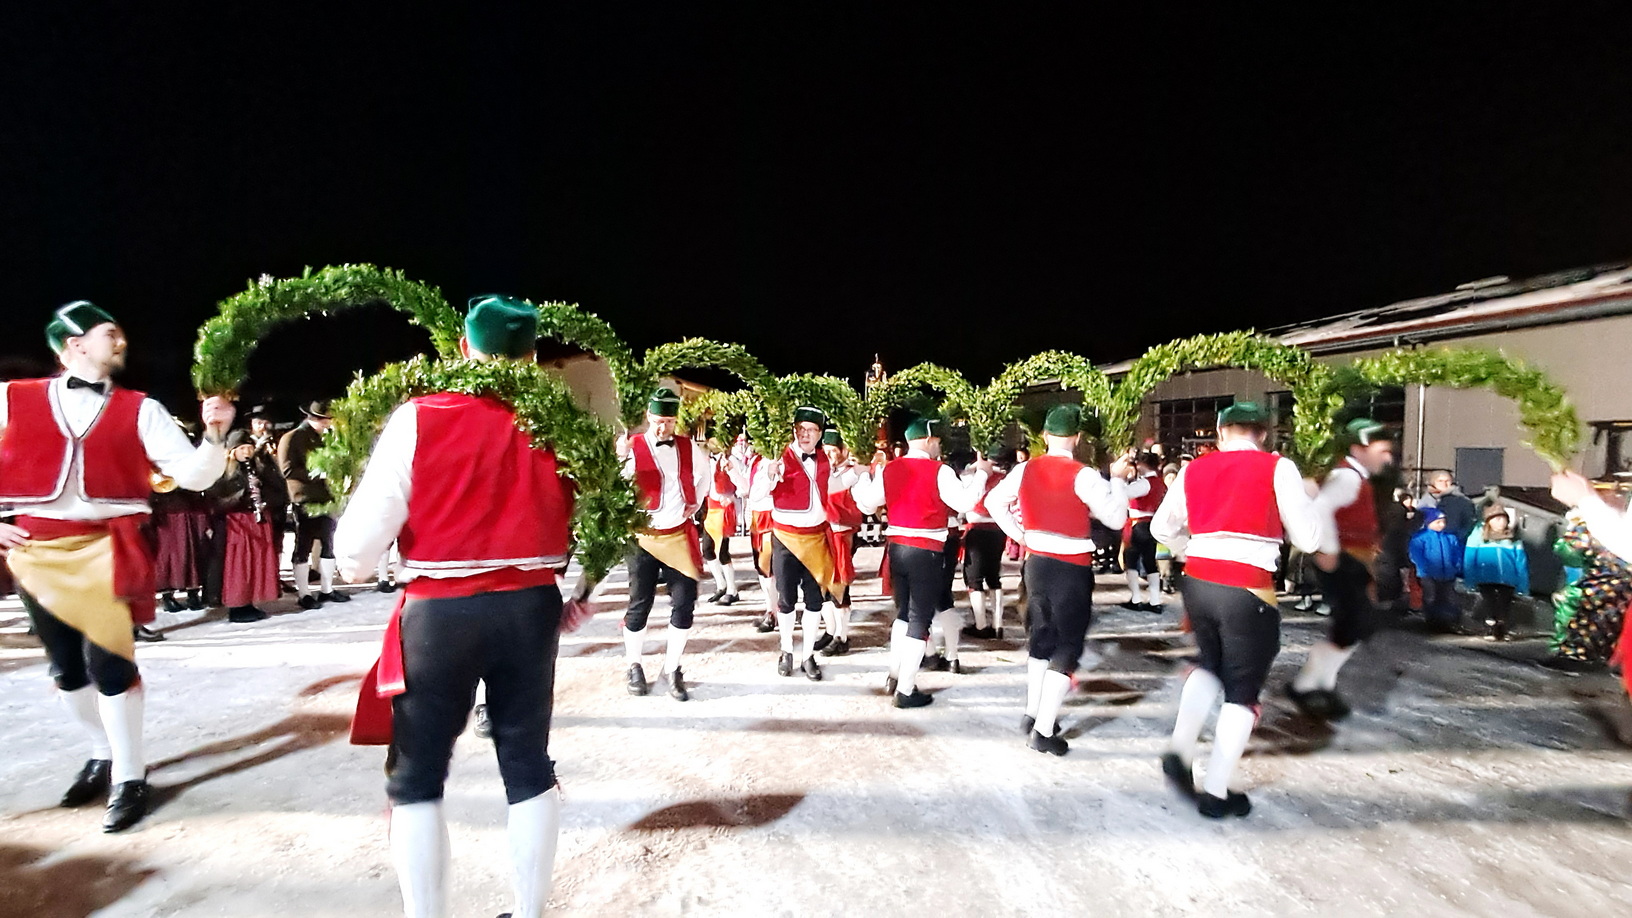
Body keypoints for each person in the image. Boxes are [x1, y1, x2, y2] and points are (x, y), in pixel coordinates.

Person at [335, 294, 588, 918]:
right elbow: (603, 522)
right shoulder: (566, 426)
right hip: (530, 607)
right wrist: (579, 590)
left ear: (463, 347)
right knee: (527, 764)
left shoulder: (420, 417)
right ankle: (528, 912)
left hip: (440, 613)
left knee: (417, 777)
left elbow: (358, 552)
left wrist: (353, 562)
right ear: (532, 355)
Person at [0, 301, 232, 832]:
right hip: (37, 552)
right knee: (66, 672)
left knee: (110, 666)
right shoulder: (12, 398)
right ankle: (101, 751)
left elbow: (195, 476)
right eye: (109, 333)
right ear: (75, 343)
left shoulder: (141, 408)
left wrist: (215, 435)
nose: (120, 341)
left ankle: (129, 774)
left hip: (108, 548)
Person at [1150, 401, 1325, 817]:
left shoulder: (1194, 468)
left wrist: (1189, 550)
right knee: (1242, 689)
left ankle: (1180, 749)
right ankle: (1216, 792)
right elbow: (1310, 539)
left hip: (1198, 581)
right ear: (1263, 434)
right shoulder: (1278, 467)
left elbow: (1161, 527)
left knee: (1209, 663)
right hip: (1247, 586)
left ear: (1220, 431)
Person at [985, 404, 1126, 754]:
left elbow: (993, 502)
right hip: (1071, 568)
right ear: (1076, 438)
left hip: (1036, 564)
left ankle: (1033, 713)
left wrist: (1020, 535)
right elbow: (1116, 519)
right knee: (1067, 647)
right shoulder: (1084, 475)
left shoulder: (1024, 469)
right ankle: (1043, 731)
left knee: (1040, 640)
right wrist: (1118, 480)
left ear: (1045, 435)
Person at [854, 416, 990, 706]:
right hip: (926, 549)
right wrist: (981, 475)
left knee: (903, 614)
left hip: (896, 547)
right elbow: (964, 503)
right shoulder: (939, 470)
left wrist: (863, 477)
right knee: (919, 619)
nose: (938, 446)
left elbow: (867, 503)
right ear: (928, 440)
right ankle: (905, 690)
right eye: (937, 440)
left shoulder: (891, 468)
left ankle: (895, 675)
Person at [1288, 417, 1394, 722]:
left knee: (1352, 627)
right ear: (1359, 449)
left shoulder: (1354, 476)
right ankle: (1309, 685)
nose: (1387, 459)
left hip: (1353, 559)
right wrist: (1329, 552)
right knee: (1355, 625)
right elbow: (1321, 509)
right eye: (1382, 451)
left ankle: (1317, 684)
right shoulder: (1348, 477)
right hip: (1345, 559)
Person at [749, 406, 859, 682]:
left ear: (820, 434)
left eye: (811, 430)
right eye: (801, 429)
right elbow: (756, 496)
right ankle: (786, 650)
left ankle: (808, 655)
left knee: (814, 601)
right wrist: (768, 474)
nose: (805, 434)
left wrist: (856, 473)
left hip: (816, 539)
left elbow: (830, 486)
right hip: (785, 539)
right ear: (793, 430)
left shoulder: (823, 460)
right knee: (786, 600)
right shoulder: (776, 456)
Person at [618, 387, 709, 701]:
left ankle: (673, 668)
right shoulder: (632, 446)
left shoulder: (688, 446)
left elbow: (705, 475)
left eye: (669, 422)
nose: (663, 428)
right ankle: (634, 665)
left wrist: (695, 502)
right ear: (648, 417)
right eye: (659, 421)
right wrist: (619, 457)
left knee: (684, 604)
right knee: (639, 604)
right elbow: (614, 486)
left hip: (678, 535)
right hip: (642, 537)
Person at [202, 429, 283, 623]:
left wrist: (264, 495)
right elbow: (215, 500)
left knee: (254, 563)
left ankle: (249, 601)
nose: (247, 452)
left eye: (249, 448)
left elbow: (279, 490)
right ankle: (236, 605)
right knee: (238, 564)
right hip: (235, 523)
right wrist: (243, 494)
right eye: (242, 448)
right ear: (232, 451)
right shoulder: (222, 472)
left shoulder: (257, 467)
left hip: (256, 521)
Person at [278, 401, 349, 609]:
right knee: (304, 545)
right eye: (326, 420)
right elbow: (287, 470)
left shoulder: (326, 437)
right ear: (314, 419)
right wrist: (318, 473)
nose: (329, 424)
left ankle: (327, 589)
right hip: (305, 497)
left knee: (329, 543)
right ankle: (304, 593)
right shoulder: (292, 437)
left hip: (326, 496)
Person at [819, 427, 863, 656]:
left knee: (839, 585)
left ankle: (841, 636)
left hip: (841, 533)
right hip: (823, 532)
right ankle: (830, 630)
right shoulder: (823, 471)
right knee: (823, 584)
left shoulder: (852, 472)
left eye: (833, 451)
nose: (829, 455)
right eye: (825, 450)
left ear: (843, 450)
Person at [961, 442, 1010, 640]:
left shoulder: (971, 474)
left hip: (977, 528)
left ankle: (981, 625)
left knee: (974, 578)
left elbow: (964, 498)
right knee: (993, 576)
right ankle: (998, 625)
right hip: (998, 529)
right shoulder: (1005, 477)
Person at [1463, 504, 1529, 641]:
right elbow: (1469, 559)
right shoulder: (1478, 537)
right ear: (1489, 521)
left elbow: (1520, 562)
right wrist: (1470, 580)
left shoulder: (1513, 539)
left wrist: (1522, 584)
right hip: (1486, 578)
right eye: (1497, 519)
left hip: (1507, 579)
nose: (1501, 522)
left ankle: (1501, 630)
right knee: (1490, 604)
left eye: (1504, 519)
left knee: (1504, 605)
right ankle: (1490, 629)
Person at [1122, 451, 1167, 613]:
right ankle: (1155, 601)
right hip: (1152, 524)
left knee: (1131, 560)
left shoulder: (1144, 483)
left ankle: (1136, 598)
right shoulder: (1160, 483)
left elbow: (1124, 493)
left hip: (1138, 524)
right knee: (1150, 561)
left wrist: (1122, 479)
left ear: (1143, 465)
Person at [1408, 507, 1464, 632]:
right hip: (1429, 574)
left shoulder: (1450, 538)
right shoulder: (1420, 538)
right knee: (1431, 597)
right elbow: (1416, 555)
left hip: (1448, 574)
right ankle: (1432, 622)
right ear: (1429, 522)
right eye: (1438, 522)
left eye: (1443, 521)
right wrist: (1423, 569)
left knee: (1449, 597)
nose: (1442, 525)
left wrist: (1457, 566)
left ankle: (1450, 621)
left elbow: (1457, 553)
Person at [700, 438, 741, 607]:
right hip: (711, 507)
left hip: (724, 508)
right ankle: (721, 585)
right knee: (707, 550)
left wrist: (732, 497)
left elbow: (742, 481)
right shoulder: (707, 460)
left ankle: (732, 590)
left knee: (722, 550)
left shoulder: (731, 460)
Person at [1421, 470, 1477, 540]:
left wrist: (1456, 538)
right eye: (1440, 481)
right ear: (1433, 482)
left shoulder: (1461, 500)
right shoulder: (1426, 500)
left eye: (1447, 481)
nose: (1444, 484)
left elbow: (1468, 523)